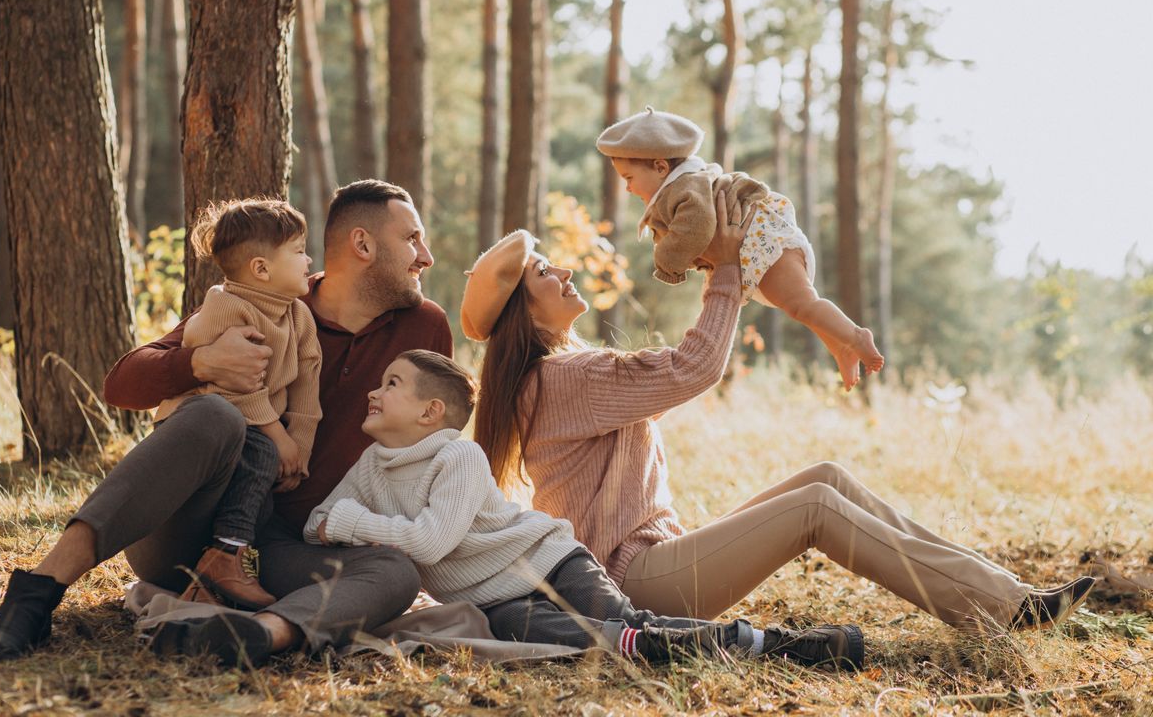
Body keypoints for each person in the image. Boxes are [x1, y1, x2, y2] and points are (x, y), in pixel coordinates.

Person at [459, 192, 1096, 635]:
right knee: (815, 509)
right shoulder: (565, 377)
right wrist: (728, 270)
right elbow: (694, 366)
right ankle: (998, 609)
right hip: (635, 584)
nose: (564, 269)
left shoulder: (559, 375)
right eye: (546, 270)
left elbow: (681, 365)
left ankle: (999, 593)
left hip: (654, 559)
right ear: (523, 308)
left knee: (827, 478)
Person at [0, 180, 453, 667]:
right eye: (412, 239)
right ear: (363, 245)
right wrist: (199, 363)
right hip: (188, 529)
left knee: (395, 573)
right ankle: (35, 594)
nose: (426, 257)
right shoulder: (265, 298)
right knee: (214, 413)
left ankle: (254, 634)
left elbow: (433, 447)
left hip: (289, 550)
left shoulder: (424, 328)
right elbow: (121, 385)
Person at [304, 349, 865, 670]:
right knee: (602, 642)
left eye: (391, 383)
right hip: (494, 602)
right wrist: (338, 522)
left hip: (549, 559)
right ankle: (722, 646)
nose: (374, 393)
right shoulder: (371, 466)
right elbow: (314, 522)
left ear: (430, 412)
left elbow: (427, 542)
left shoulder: (458, 456)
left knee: (625, 622)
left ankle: (786, 645)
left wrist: (351, 525)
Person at [597, 106, 883, 390]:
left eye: (629, 178)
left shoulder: (685, 188)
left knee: (803, 305)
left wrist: (667, 260)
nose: (628, 189)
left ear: (660, 167)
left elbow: (697, 225)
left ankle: (856, 336)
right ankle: (841, 347)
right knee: (801, 306)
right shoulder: (684, 184)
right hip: (759, 250)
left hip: (766, 246)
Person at [150, 198, 321, 610]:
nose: (309, 259)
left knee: (260, 493)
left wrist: (298, 448)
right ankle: (225, 558)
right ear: (261, 269)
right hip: (206, 422)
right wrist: (277, 436)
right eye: (298, 252)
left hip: (255, 431)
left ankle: (215, 580)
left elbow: (306, 386)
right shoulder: (225, 306)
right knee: (260, 452)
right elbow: (233, 388)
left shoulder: (298, 315)